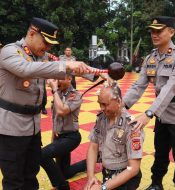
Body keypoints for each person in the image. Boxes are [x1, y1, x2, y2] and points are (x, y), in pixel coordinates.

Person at [0, 17, 90, 190]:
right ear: (32, 34)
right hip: (11, 130)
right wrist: (67, 65)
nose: (48, 48)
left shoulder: (41, 56)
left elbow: (64, 69)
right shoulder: (10, 51)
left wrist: (98, 73)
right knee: (14, 180)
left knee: (31, 176)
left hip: (33, 128)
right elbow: (26, 69)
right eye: (46, 43)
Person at [123, 16, 175, 190]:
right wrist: (121, 106)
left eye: (159, 30)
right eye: (152, 31)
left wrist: (149, 113)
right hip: (161, 114)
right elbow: (139, 85)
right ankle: (156, 184)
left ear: (171, 31)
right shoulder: (150, 58)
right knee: (160, 153)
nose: (154, 34)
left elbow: (171, 88)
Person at [84, 81, 144, 190]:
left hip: (126, 178)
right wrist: (91, 176)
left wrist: (103, 188)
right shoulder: (102, 118)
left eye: (105, 104)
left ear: (118, 101)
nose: (101, 108)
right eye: (99, 103)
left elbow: (133, 169)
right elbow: (93, 147)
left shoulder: (131, 126)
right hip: (107, 173)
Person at [40, 74, 87, 190]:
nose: (56, 82)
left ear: (70, 79)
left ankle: (63, 187)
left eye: (59, 78)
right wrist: (53, 139)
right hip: (59, 137)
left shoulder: (75, 95)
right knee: (64, 173)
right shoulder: (59, 93)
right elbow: (55, 118)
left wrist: (55, 89)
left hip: (72, 137)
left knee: (42, 155)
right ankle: (91, 160)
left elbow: (61, 111)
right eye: (55, 79)